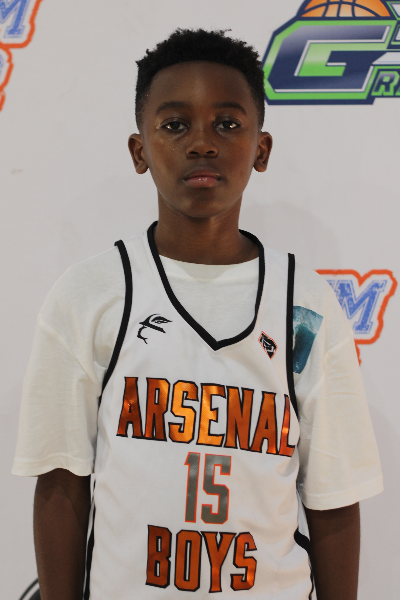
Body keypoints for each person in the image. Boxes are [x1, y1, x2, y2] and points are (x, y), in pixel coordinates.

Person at [12, 29, 383, 600]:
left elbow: (333, 498)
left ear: (261, 149)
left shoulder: (305, 307)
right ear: (140, 151)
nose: (202, 143)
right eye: (175, 125)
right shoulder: (89, 295)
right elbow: (61, 482)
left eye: (227, 124)